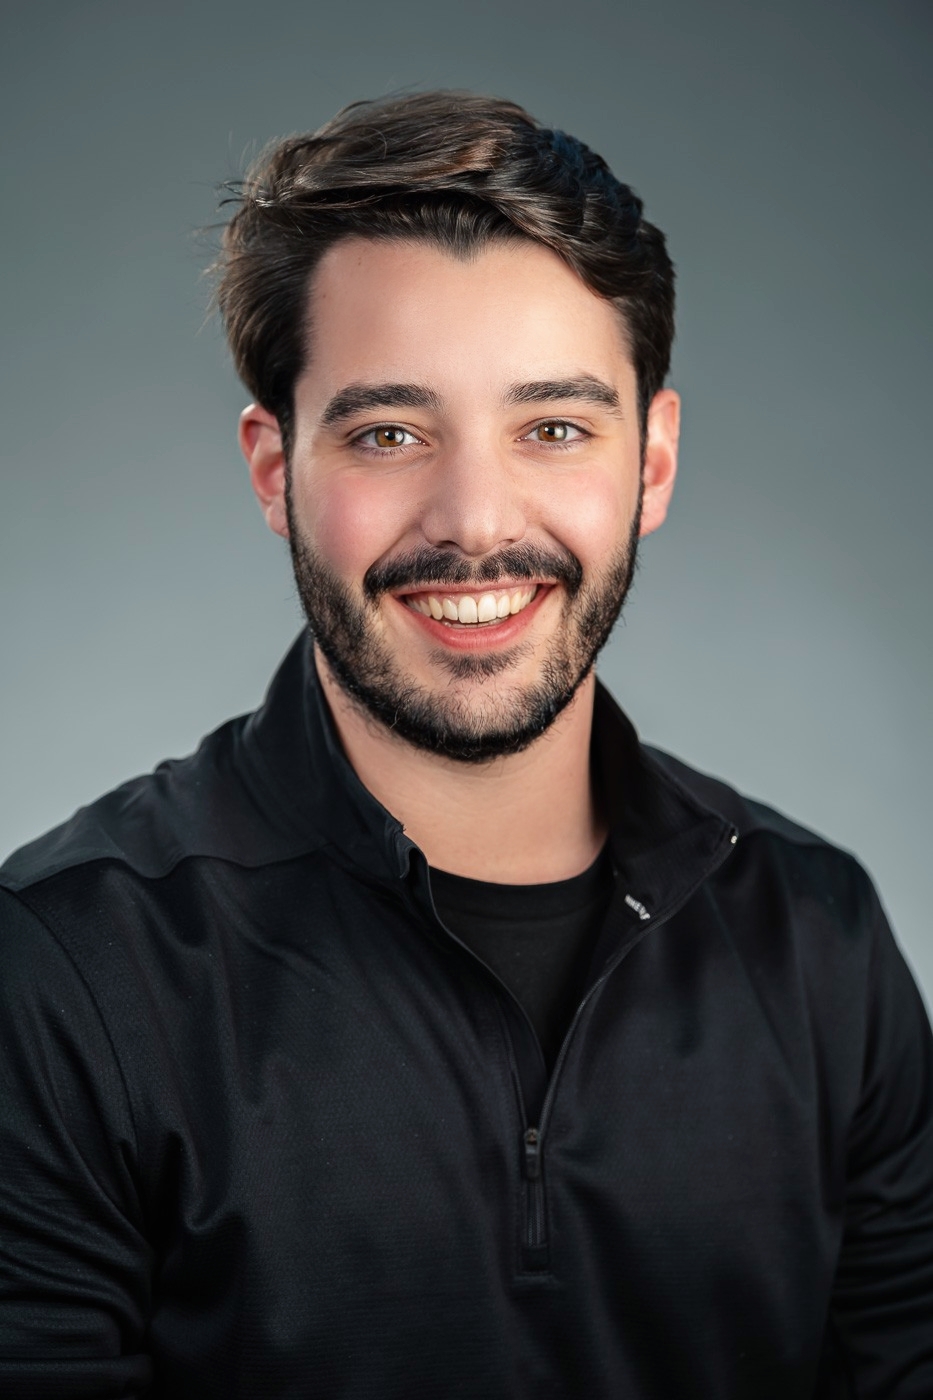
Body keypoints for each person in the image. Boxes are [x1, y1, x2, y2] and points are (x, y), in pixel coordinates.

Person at [1, 91, 931, 1400]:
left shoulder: (818, 937)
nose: (477, 521)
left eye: (553, 428)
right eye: (390, 433)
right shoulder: (64, 967)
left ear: (653, 464)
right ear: (275, 471)